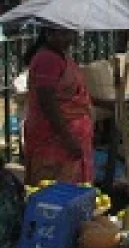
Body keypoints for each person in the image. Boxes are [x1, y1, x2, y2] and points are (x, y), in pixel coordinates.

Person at [23, 28, 94, 184]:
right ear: (48, 34)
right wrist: (68, 138)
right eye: (62, 34)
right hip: (55, 140)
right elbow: (47, 102)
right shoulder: (47, 59)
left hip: (68, 136)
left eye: (69, 33)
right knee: (54, 193)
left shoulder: (61, 57)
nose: (68, 38)